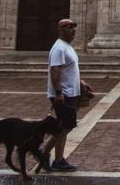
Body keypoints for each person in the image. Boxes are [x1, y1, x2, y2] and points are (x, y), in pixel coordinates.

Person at [46, 18, 90, 172]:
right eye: (69, 27)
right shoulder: (59, 48)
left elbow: (69, 69)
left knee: (64, 127)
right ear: (60, 29)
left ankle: (57, 159)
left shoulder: (67, 47)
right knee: (65, 127)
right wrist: (58, 93)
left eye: (73, 27)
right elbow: (55, 70)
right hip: (63, 94)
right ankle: (45, 155)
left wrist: (80, 82)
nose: (73, 30)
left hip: (70, 92)